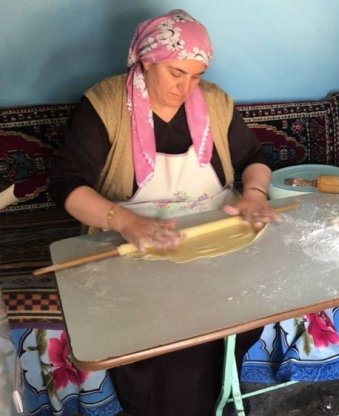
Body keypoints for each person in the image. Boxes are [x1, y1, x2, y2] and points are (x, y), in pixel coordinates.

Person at [50, 9, 276, 416]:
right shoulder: (105, 104)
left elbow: (254, 157)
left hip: (210, 236)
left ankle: (212, 397)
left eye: (195, 76)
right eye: (176, 73)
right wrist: (128, 222)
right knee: (172, 344)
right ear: (146, 60)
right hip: (129, 245)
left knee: (236, 313)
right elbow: (67, 186)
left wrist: (256, 193)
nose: (186, 87)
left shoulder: (215, 102)